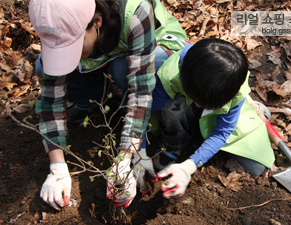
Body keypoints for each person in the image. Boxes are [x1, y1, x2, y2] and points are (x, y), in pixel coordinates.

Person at [29, 0, 188, 210]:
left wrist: (128, 155)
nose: (71, 54)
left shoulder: (135, 10)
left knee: (123, 69)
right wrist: (57, 167)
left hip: (152, 43)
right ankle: (92, 98)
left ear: (97, 21)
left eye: (74, 45)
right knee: (44, 65)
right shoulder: (52, 15)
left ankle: (124, 93)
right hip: (102, 51)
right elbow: (50, 101)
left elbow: (141, 92)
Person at [152, 38, 275, 199]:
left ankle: (253, 111)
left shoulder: (232, 83)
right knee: (173, 108)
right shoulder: (169, 76)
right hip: (181, 105)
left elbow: (222, 132)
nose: (197, 105)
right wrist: (136, 149)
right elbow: (143, 111)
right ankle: (174, 145)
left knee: (256, 167)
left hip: (214, 112)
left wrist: (190, 165)